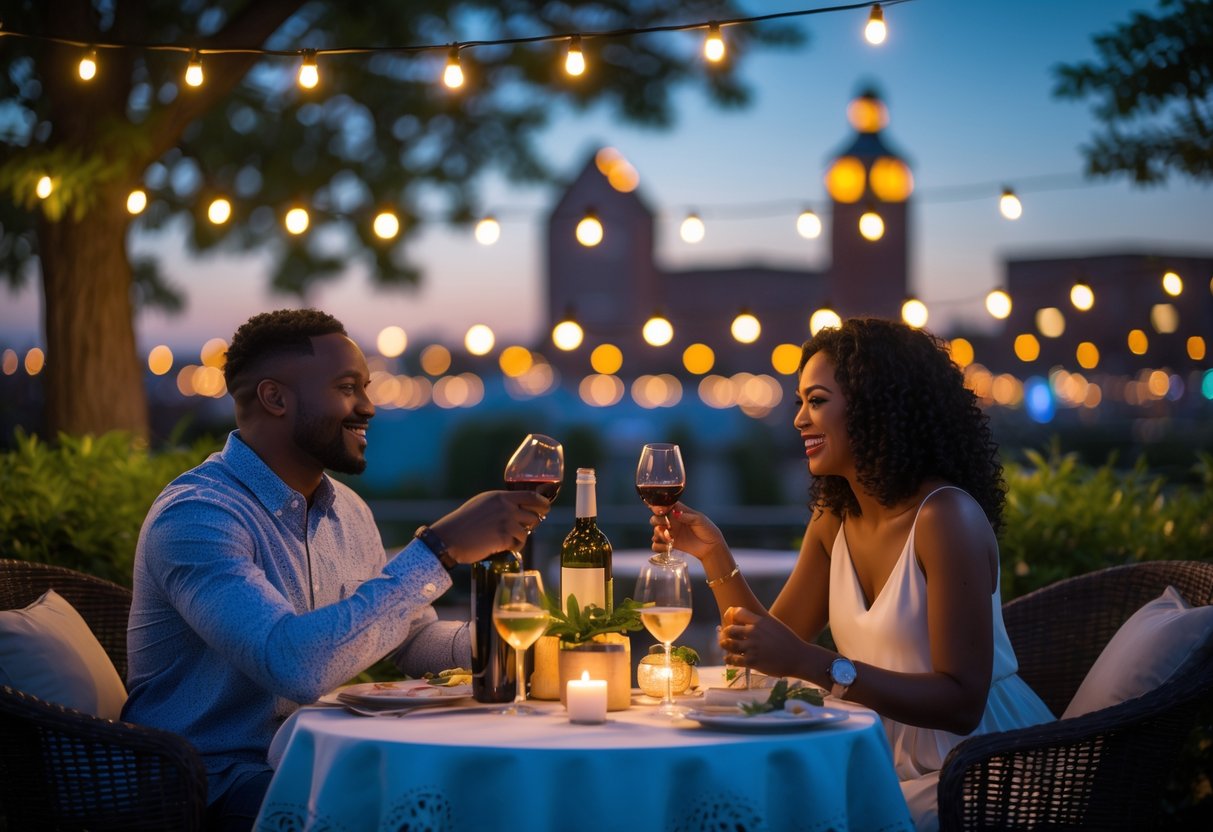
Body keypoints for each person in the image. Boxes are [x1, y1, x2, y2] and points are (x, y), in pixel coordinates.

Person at [123, 309, 551, 831]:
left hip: (314, 759)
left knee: (495, 796)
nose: (369, 407)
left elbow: (409, 638)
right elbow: (293, 664)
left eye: (366, 387)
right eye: (349, 388)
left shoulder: (348, 510)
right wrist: (438, 549)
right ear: (275, 398)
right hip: (209, 783)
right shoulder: (198, 517)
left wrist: (512, 642)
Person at [652, 317, 1054, 831]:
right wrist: (712, 555)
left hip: (977, 769)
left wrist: (818, 665)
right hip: (872, 756)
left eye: (816, 401)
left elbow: (962, 702)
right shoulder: (833, 521)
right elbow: (772, 649)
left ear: (875, 406)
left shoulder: (945, 518)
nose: (798, 419)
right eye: (799, 402)